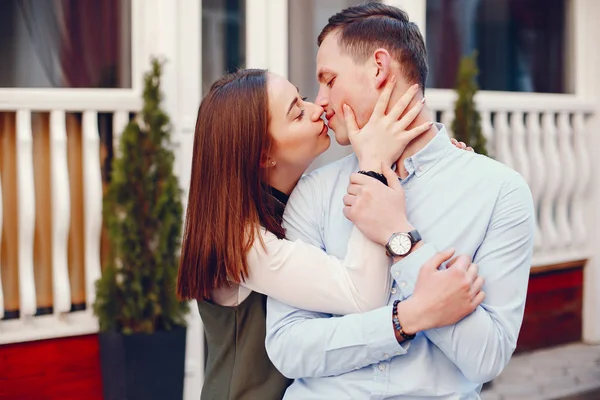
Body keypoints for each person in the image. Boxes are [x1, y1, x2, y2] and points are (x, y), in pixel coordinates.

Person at [265, 3, 535, 399]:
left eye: (328, 79)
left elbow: (487, 358)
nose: (320, 101)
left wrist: (401, 239)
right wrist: (403, 320)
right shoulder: (314, 191)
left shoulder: (499, 192)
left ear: (378, 68)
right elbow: (289, 348)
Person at [176, 69, 473, 400]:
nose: (316, 108)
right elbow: (362, 296)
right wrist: (373, 161)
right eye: (297, 112)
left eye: (301, 97)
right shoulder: (243, 243)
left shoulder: (299, 202)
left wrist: (445, 170)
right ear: (264, 154)